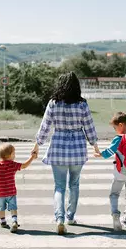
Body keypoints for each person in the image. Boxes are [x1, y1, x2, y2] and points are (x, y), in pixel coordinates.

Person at [32, 72, 99, 235]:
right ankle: (70, 217)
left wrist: (37, 145)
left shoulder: (53, 103)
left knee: (59, 187)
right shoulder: (82, 104)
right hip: (77, 149)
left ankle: (59, 219)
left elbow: (45, 126)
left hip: (58, 149)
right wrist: (95, 146)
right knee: (74, 185)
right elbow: (89, 126)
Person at [94, 112, 126, 231]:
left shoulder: (119, 138)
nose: (115, 130)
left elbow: (110, 151)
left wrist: (100, 154)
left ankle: (115, 214)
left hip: (120, 172)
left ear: (121, 125)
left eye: (115, 128)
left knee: (114, 194)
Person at [0, 143, 37, 233]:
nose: (15, 155)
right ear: (10, 155)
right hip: (11, 192)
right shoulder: (13, 164)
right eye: (14, 153)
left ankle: (3, 222)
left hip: (0, 193)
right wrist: (32, 158)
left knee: (1, 208)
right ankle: (14, 221)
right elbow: (24, 165)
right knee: (13, 207)